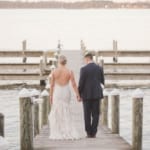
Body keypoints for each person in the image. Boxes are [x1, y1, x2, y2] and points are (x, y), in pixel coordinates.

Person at [48, 55, 81, 140]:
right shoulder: (69, 71)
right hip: (66, 91)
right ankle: (67, 130)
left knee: (57, 111)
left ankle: (58, 131)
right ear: (66, 62)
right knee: (66, 110)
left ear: (59, 62)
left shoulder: (54, 72)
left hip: (58, 92)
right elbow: (74, 84)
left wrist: (50, 96)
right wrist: (77, 94)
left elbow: (51, 86)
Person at [78, 52, 104, 138]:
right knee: (96, 114)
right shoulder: (99, 68)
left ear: (87, 58)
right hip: (97, 94)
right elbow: (102, 82)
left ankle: (89, 133)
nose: (84, 61)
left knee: (87, 114)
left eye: (85, 59)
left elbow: (81, 83)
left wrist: (79, 94)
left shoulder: (83, 69)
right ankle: (94, 132)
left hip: (86, 95)